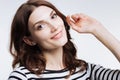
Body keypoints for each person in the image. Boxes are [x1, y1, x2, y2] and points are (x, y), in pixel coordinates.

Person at [8, 0, 120, 80]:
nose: (54, 27)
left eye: (53, 16)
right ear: (29, 40)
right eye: (40, 26)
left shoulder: (85, 70)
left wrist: (98, 29)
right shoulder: (22, 76)